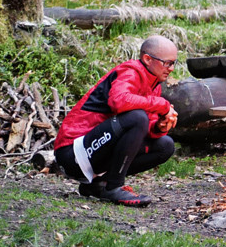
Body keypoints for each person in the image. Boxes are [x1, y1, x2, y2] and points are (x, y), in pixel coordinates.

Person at [53, 35, 179, 207]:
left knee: (165, 145)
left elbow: (145, 128)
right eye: (167, 63)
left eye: (174, 63)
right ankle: (114, 187)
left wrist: (159, 126)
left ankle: (99, 186)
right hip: (72, 153)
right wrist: (162, 105)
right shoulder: (131, 71)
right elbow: (119, 101)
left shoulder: (154, 85)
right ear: (147, 59)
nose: (171, 69)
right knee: (137, 117)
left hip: (96, 152)